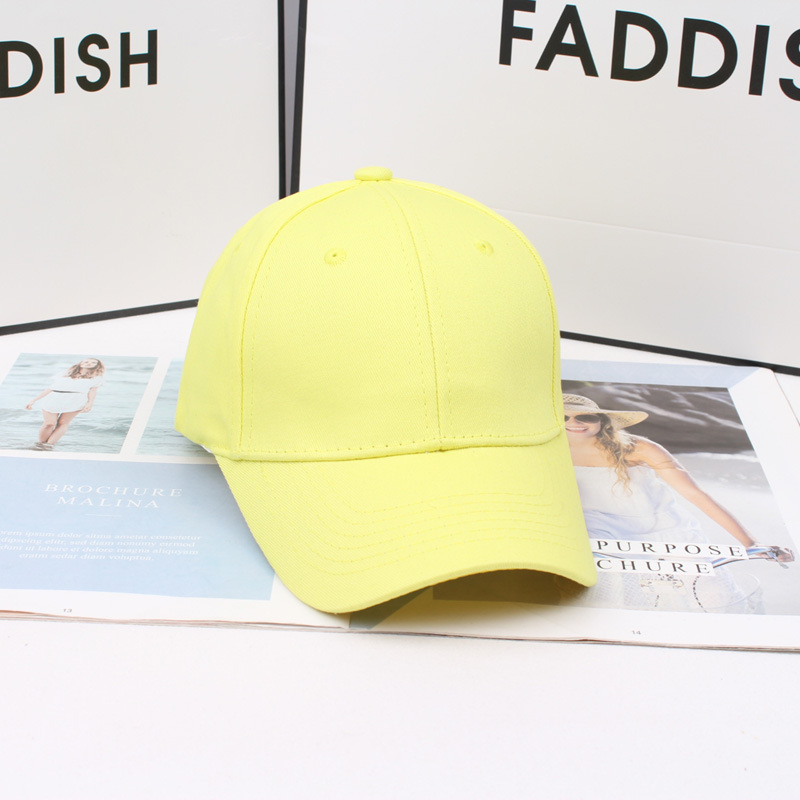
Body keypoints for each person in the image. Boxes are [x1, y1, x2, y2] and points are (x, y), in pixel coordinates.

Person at [560, 393, 792, 612]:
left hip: (665, 528)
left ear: (602, 421)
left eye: (585, 417)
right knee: (612, 594)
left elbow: (694, 494)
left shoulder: (638, 448)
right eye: (564, 417)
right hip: (600, 530)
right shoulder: (550, 450)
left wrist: (751, 542)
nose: (574, 423)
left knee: (711, 596)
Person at [26, 358, 105, 449]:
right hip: (54, 398)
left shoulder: (97, 378)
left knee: (63, 423)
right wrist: (34, 400)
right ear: (81, 363)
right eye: (86, 362)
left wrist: (90, 403)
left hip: (76, 400)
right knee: (49, 423)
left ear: (97, 365)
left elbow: (93, 391)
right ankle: (41, 444)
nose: (89, 363)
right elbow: (51, 388)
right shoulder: (65, 373)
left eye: (93, 362)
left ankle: (49, 445)